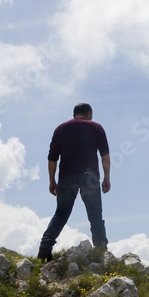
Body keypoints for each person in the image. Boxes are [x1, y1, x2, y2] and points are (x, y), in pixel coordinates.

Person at [37, 103, 111, 261]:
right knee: (95, 215)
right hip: (89, 177)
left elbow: (52, 158)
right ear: (89, 113)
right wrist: (107, 177)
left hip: (66, 177)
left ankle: (45, 247)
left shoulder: (60, 129)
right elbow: (105, 155)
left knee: (61, 214)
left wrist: (52, 180)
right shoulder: (96, 127)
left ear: (75, 113)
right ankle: (101, 251)